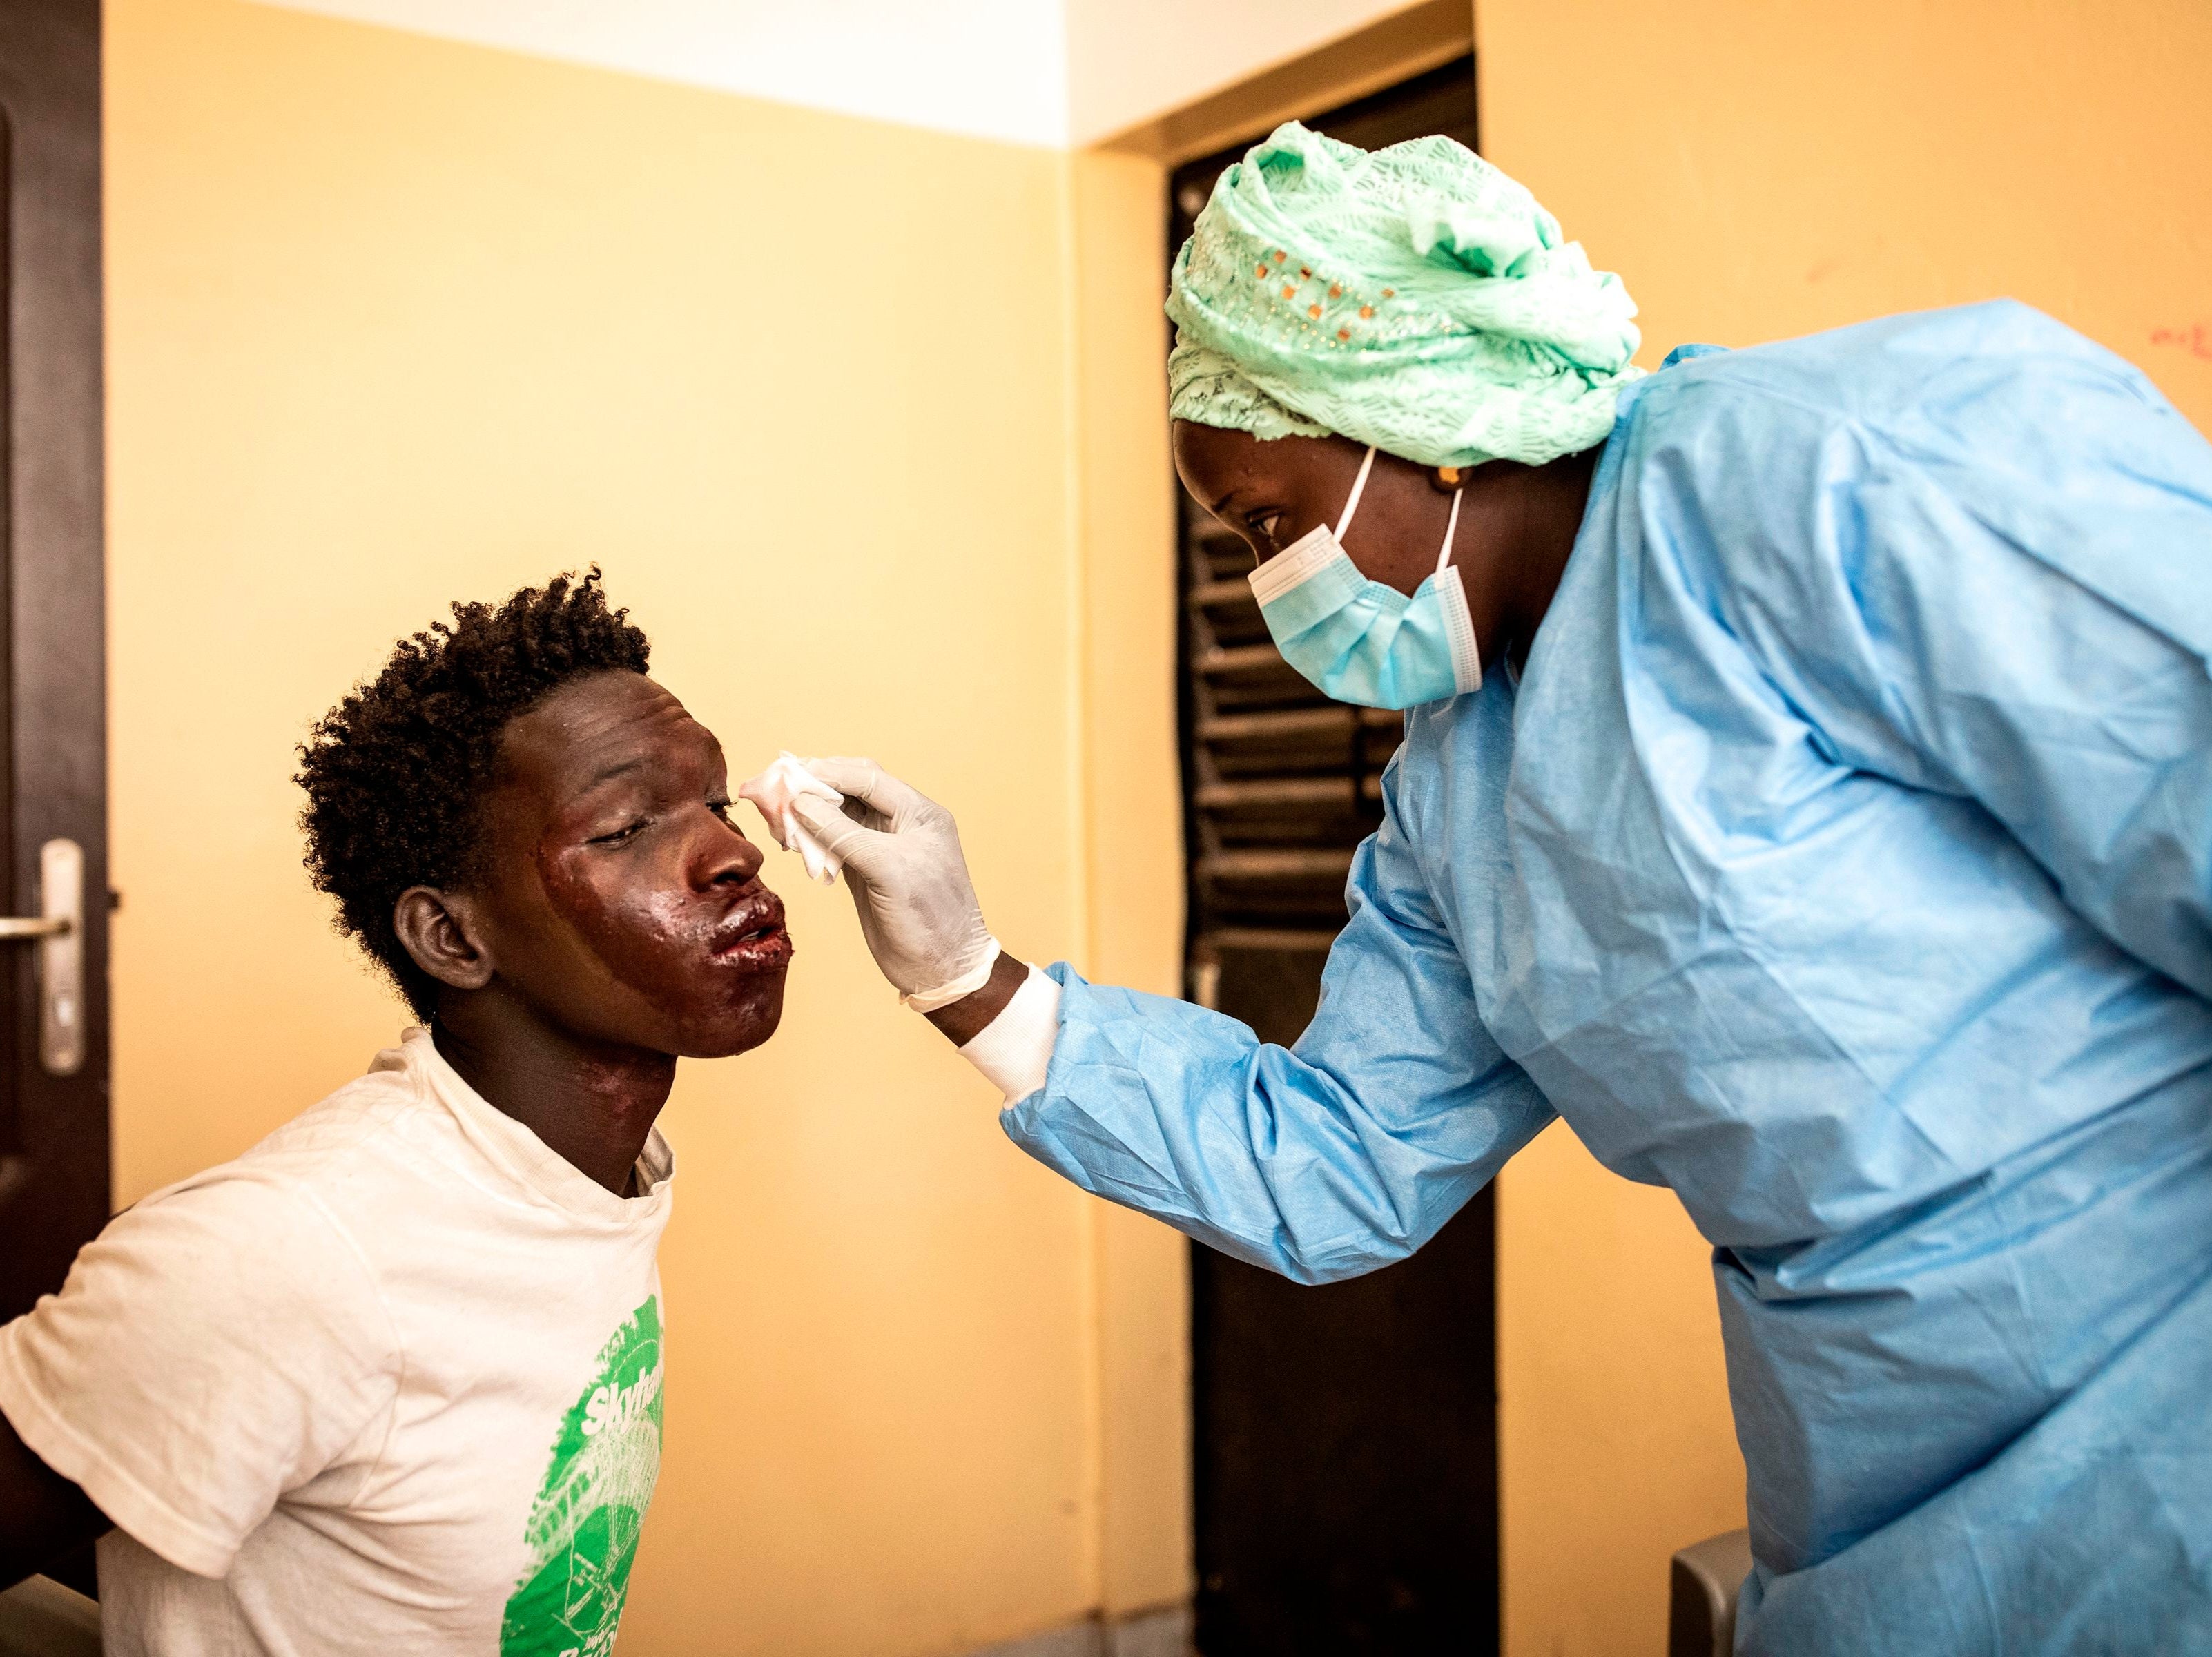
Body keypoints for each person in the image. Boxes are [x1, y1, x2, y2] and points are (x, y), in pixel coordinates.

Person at [782, 124, 2212, 1654]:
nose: (1270, 587)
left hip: (2162, 1376)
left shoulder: (1823, 469)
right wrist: (963, 970)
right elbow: (1340, 1163)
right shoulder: (1453, 795)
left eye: (1270, 521)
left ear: (1425, 422)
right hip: (1866, 1466)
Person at [0, 572, 793, 1656]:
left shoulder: (586, 1173)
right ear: (454, 939)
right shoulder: (285, 1253)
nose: (729, 852)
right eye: (624, 828)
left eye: (718, 803)